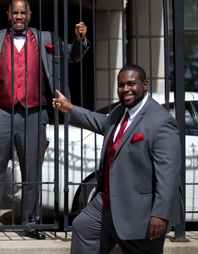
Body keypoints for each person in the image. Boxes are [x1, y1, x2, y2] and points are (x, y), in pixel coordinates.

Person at [0, 0, 90, 240]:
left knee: (32, 172)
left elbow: (71, 56)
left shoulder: (47, 38)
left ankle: (31, 223)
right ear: (8, 15)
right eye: (14, 13)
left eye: (23, 13)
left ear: (30, 16)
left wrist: (80, 40)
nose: (19, 17)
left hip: (34, 113)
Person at [54, 65, 183, 253]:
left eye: (131, 84)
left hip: (141, 211)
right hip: (107, 203)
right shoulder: (119, 112)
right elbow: (102, 122)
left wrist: (159, 215)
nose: (125, 89)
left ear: (144, 84)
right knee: (83, 226)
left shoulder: (161, 121)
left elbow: (169, 174)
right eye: (121, 85)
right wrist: (71, 109)